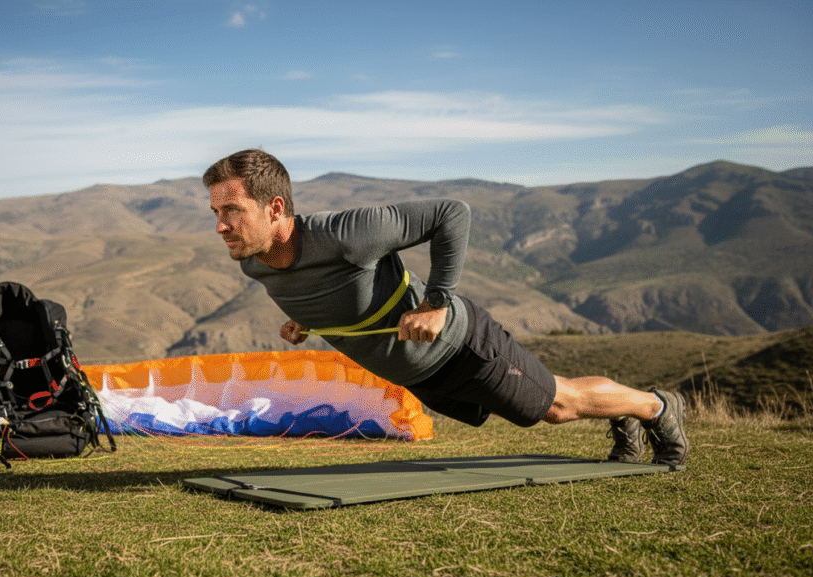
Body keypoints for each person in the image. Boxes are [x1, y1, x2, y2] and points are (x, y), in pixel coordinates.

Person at [203, 149, 688, 466]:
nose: (221, 226)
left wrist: (436, 304)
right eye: (216, 214)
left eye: (232, 211)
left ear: (275, 209)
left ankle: (657, 407)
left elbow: (451, 213)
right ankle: (622, 413)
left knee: (558, 407)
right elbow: (323, 290)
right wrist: (305, 321)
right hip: (420, 375)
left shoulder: (346, 233)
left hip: (459, 345)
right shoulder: (255, 262)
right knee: (541, 405)